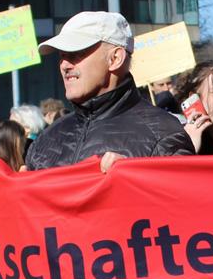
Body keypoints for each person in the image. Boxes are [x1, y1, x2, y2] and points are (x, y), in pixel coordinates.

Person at [25, 11, 193, 170]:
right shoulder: (46, 138)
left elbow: (180, 198)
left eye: (76, 54)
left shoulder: (163, 135)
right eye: (62, 55)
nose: (64, 65)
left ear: (115, 58)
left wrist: (135, 179)